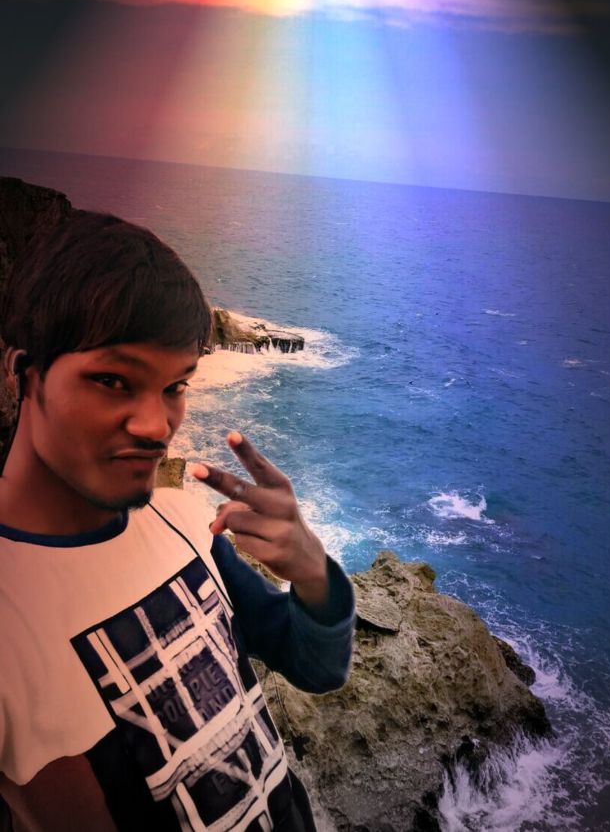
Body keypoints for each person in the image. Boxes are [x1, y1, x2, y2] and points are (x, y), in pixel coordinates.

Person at [0, 212, 355, 831]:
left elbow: (316, 667)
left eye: (176, 386)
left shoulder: (179, 519)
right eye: (113, 380)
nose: (156, 426)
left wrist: (312, 572)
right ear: (24, 376)